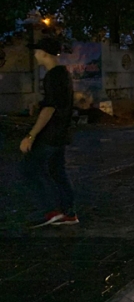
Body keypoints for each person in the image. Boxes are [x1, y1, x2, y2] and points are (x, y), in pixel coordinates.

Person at [19, 38, 77, 227]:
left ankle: (52, 210)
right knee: (56, 170)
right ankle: (68, 212)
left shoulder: (53, 75)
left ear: (44, 53)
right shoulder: (63, 74)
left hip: (50, 134)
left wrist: (31, 135)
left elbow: (50, 108)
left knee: (30, 169)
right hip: (60, 132)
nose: (34, 55)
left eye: (36, 52)